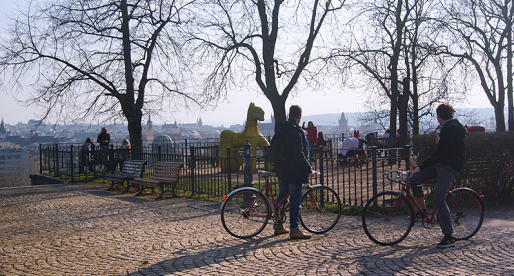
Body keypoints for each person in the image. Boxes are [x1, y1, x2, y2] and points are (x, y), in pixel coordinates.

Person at [408, 103, 466, 248]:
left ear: (438, 115)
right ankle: (422, 211)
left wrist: (421, 167)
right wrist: (441, 142)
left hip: (448, 167)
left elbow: (441, 153)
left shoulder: (449, 128)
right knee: (413, 179)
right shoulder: (451, 127)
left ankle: (448, 236)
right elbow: (447, 148)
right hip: (441, 165)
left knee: (439, 198)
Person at [274, 105, 315, 239]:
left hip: (281, 169)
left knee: (282, 199)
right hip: (293, 171)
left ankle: (279, 226)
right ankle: (294, 229)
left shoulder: (282, 129)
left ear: (289, 115)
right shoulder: (295, 131)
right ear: (300, 117)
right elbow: (299, 153)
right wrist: (308, 170)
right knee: (295, 200)